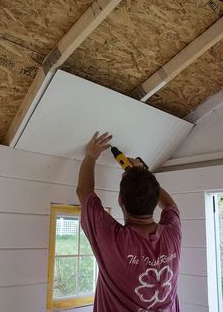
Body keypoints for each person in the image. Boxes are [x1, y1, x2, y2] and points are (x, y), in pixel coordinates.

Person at [76, 131, 181, 312]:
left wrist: (91, 155)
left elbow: (85, 193)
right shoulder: (172, 234)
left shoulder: (112, 238)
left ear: (120, 201)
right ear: (155, 202)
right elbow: (170, 205)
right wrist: (142, 174)